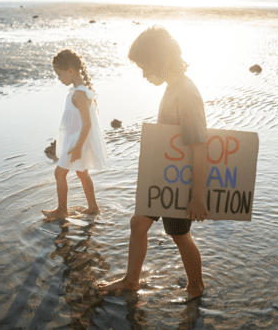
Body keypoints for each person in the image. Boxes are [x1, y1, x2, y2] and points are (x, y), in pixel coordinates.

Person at [97, 26, 208, 302]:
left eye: (145, 66)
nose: (143, 74)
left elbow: (199, 146)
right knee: (138, 224)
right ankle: (131, 281)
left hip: (179, 183)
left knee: (180, 236)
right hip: (163, 179)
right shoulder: (173, 87)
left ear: (163, 60)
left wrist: (198, 197)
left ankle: (196, 287)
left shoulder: (185, 91)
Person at [42, 48, 108, 224]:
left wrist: (78, 147)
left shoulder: (79, 94)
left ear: (70, 71)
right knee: (82, 173)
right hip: (78, 140)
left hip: (76, 142)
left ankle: (62, 210)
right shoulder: (80, 91)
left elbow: (87, 124)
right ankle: (93, 207)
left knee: (59, 173)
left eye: (59, 74)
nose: (58, 78)